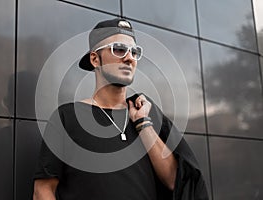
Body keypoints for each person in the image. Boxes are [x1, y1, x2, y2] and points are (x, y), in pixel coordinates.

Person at [33, 18, 209, 200]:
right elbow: (42, 191)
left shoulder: (146, 115)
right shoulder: (67, 117)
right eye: (119, 49)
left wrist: (143, 124)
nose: (129, 58)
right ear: (95, 59)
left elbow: (175, 181)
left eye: (135, 52)